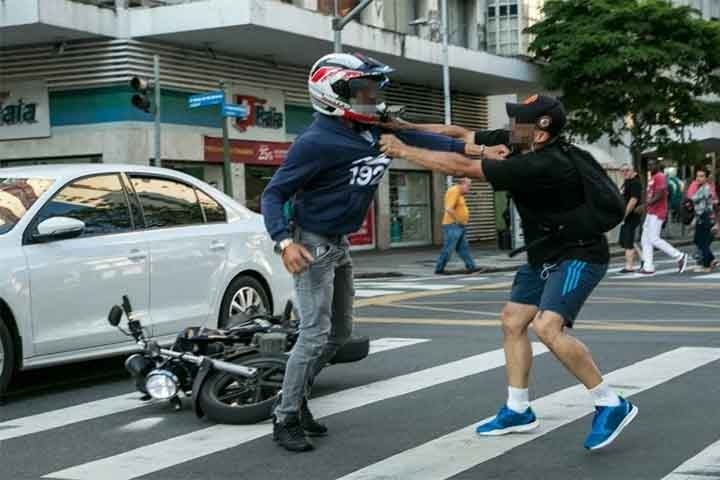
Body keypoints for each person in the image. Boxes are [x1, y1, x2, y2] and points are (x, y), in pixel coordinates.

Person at [261, 52, 507, 453]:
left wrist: (485, 152)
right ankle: (285, 416)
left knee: (338, 335)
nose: (372, 97)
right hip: (311, 245)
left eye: (373, 89)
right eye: (362, 90)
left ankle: (297, 398)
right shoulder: (317, 142)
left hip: (337, 245)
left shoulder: (372, 130)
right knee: (314, 334)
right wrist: (284, 242)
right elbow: (274, 194)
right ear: (333, 92)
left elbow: (439, 142)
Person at [379, 94, 638, 451]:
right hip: (544, 253)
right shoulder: (519, 144)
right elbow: (460, 134)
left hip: (579, 253)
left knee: (547, 327)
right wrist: (405, 129)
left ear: (541, 133)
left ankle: (610, 402)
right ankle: (518, 409)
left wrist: (401, 150)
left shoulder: (544, 164)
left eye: (520, 122)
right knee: (513, 321)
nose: (511, 128)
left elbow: (463, 166)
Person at [639, 161, 689, 274]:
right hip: (651, 212)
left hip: (658, 212)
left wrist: (645, 205)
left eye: (653, 164)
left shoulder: (660, 177)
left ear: (658, 166)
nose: (650, 166)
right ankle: (648, 266)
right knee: (645, 239)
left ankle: (679, 256)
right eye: (649, 165)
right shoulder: (653, 177)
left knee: (654, 239)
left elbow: (660, 194)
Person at [435, 177, 478, 274]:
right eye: (468, 185)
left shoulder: (460, 194)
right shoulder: (454, 191)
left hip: (459, 226)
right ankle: (439, 268)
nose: (469, 188)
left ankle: (471, 267)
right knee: (448, 248)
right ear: (461, 184)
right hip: (453, 225)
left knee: (463, 248)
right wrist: (458, 220)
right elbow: (448, 208)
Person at [687, 168, 718, 272]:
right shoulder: (701, 187)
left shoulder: (706, 188)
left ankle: (707, 266)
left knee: (702, 241)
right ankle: (711, 259)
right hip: (701, 217)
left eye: (701, 176)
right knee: (698, 240)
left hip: (705, 217)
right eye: (697, 176)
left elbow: (693, 199)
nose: (698, 178)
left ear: (706, 178)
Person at [618, 164, 643, 273]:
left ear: (633, 171)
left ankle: (629, 266)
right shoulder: (627, 182)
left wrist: (625, 214)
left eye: (627, 170)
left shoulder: (635, 183)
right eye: (622, 171)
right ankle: (644, 259)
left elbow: (633, 201)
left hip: (632, 215)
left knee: (628, 240)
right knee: (625, 240)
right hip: (627, 216)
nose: (624, 173)